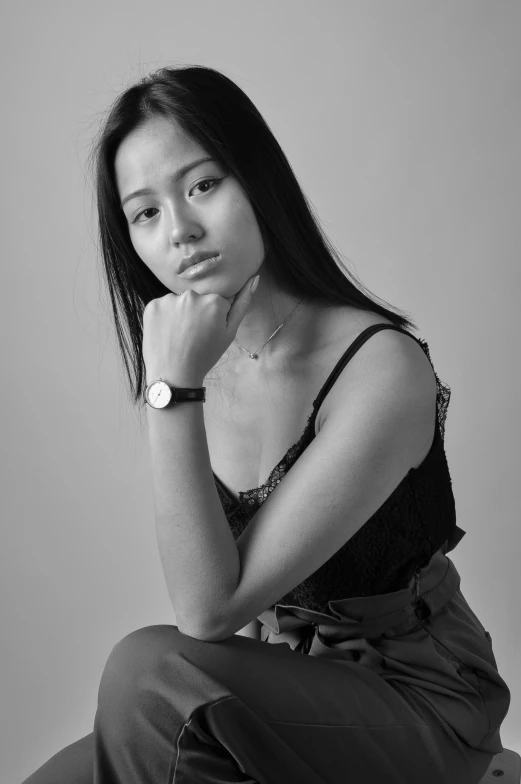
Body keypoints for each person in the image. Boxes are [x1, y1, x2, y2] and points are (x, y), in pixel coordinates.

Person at [23, 64, 510, 784]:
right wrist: (179, 383)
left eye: (202, 186)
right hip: (281, 684)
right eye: (145, 213)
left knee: (144, 668)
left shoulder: (380, 368)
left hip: (419, 703)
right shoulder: (200, 359)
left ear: (259, 181)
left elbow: (205, 612)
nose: (180, 232)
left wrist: (172, 391)